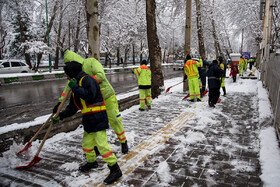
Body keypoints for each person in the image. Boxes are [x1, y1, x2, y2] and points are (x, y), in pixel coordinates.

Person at [52, 61, 122, 184]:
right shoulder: (75, 85)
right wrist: (61, 115)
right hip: (88, 119)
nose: (66, 77)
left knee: (102, 144)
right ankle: (91, 162)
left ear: (72, 73)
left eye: (67, 74)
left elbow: (90, 96)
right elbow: (73, 107)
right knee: (87, 144)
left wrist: (76, 88)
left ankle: (115, 169)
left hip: (98, 116)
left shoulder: (87, 80)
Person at [53, 50, 129, 154]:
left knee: (114, 120)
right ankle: (96, 148)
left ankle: (123, 142)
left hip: (107, 97)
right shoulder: (74, 72)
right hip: (92, 101)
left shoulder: (91, 62)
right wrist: (59, 103)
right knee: (95, 125)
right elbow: (68, 88)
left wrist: (86, 83)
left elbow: (101, 75)